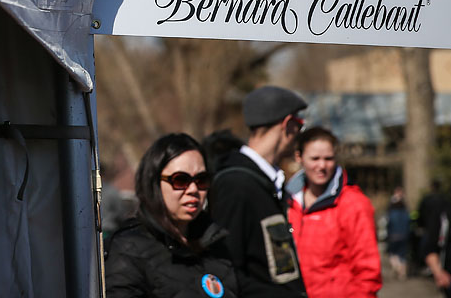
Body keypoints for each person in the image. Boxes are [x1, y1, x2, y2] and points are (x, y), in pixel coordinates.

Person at [105, 133, 239, 298]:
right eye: (180, 180)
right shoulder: (129, 248)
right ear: (154, 183)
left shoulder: (216, 243)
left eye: (201, 180)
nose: (193, 190)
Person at [208, 86, 308, 297]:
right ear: (287, 124)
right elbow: (225, 271)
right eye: (300, 125)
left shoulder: (265, 182)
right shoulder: (235, 184)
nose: (299, 133)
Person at [285, 126, 381, 297]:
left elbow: (368, 271)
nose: (322, 166)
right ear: (299, 157)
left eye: (328, 159)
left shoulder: (353, 203)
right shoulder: (288, 201)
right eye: (315, 158)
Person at [385, 187, 410, 281]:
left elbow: (388, 224)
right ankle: (402, 272)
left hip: (394, 235)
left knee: (393, 254)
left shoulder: (391, 213)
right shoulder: (405, 213)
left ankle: (398, 268)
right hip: (404, 235)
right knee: (403, 255)